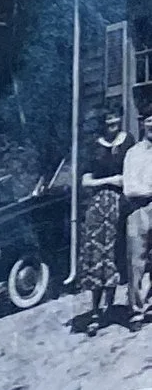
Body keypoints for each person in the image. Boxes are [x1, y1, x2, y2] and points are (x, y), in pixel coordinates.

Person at [77, 97, 128, 332]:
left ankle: (109, 307)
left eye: (116, 119)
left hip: (121, 205)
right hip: (98, 208)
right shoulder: (93, 147)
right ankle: (95, 311)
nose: (113, 123)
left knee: (115, 254)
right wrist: (110, 180)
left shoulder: (128, 141)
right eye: (108, 121)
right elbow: (86, 182)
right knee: (97, 256)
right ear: (103, 123)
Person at [123, 89, 152, 323]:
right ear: (143, 125)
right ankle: (136, 310)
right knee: (136, 262)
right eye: (149, 122)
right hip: (138, 210)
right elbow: (129, 188)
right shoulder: (133, 153)